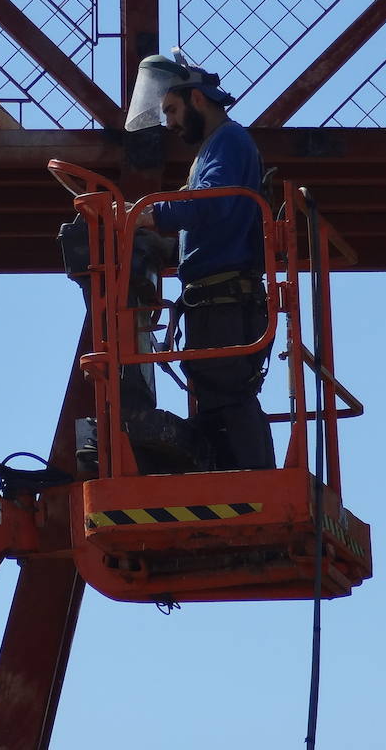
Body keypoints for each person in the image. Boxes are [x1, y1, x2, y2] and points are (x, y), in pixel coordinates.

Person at [128, 51, 275, 470]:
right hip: (214, 297)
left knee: (227, 394)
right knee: (215, 395)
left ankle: (253, 484)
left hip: (224, 299)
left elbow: (212, 204)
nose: (170, 123)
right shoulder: (212, 150)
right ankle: (236, 476)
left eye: (172, 109)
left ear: (197, 99)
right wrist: (159, 240)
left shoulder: (228, 142)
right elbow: (209, 225)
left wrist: (150, 214)